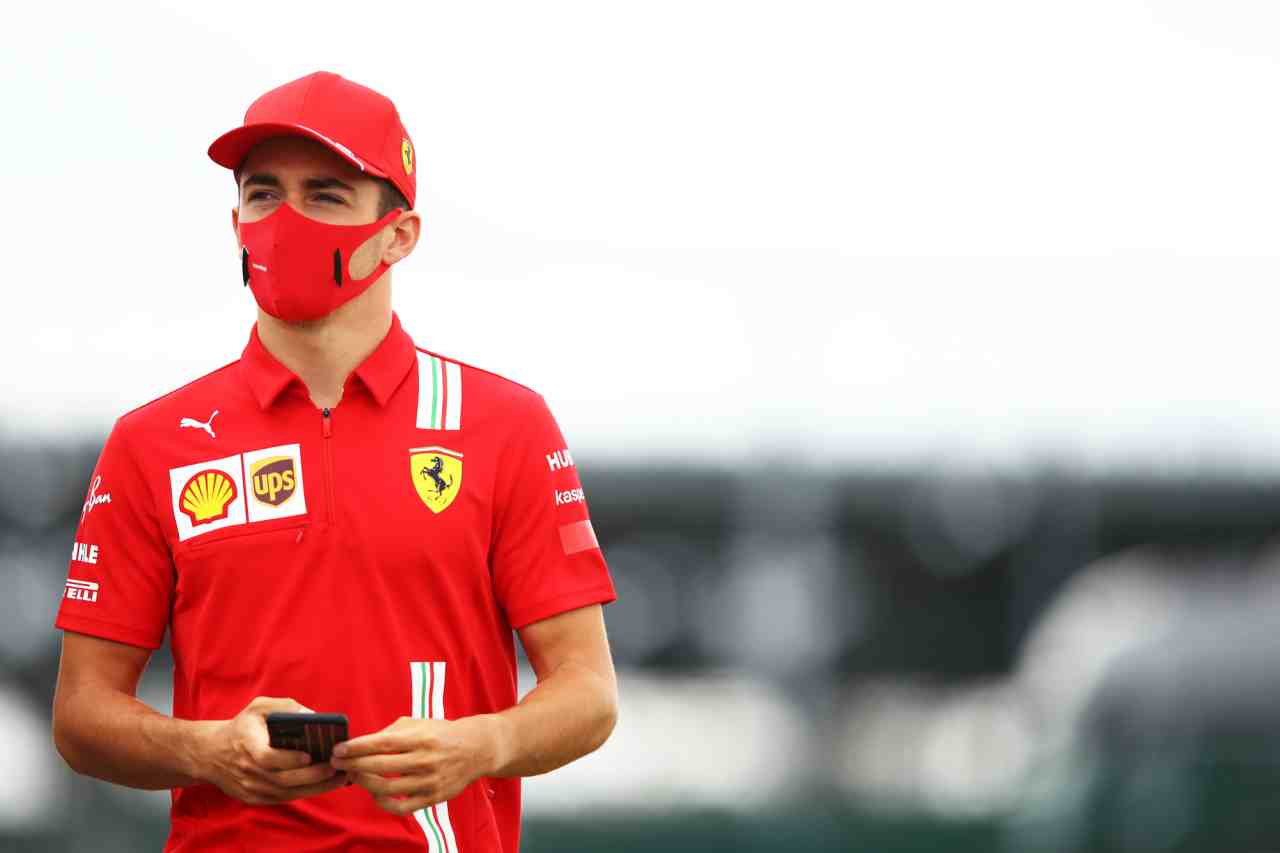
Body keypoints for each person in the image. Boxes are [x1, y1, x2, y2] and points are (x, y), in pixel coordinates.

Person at [51, 70, 619, 852]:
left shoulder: (505, 424)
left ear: (400, 234)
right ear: (235, 220)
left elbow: (589, 693)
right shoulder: (154, 439)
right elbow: (82, 714)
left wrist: (478, 746)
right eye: (262, 193)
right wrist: (208, 750)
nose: (285, 220)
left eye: (324, 194)